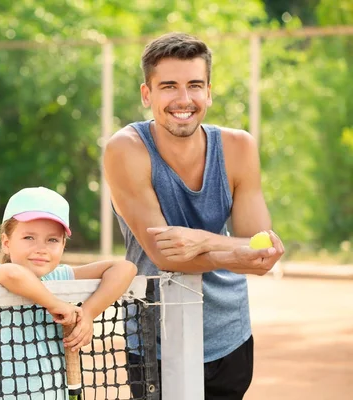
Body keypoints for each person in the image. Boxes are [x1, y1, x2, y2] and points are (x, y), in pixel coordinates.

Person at [103, 32, 285, 400]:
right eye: (169, 86)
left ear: (209, 92)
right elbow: (164, 255)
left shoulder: (238, 147)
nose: (183, 100)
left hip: (229, 336)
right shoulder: (125, 149)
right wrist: (238, 252)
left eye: (195, 86)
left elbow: (262, 255)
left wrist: (205, 240)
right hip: (155, 339)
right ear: (146, 94)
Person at [0, 186, 137, 400]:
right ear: (6, 243)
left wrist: (87, 315)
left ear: (63, 244)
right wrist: (54, 304)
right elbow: (15, 275)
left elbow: (125, 268)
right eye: (29, 238)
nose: (41, 248)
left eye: (52, 240)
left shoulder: (60, 276)